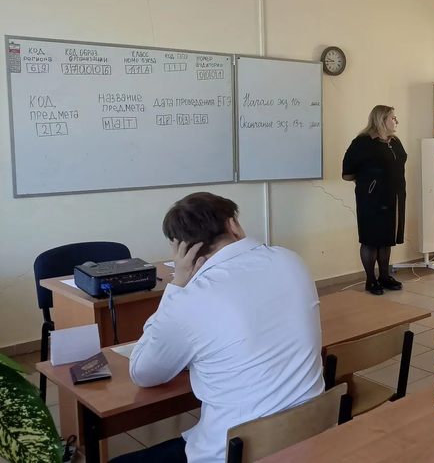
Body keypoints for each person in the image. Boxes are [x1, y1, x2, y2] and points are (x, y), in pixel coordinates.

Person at [115, 193, 325, 463]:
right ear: (233, 225)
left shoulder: (190, 299)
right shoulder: (291, 260)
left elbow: (142, 373)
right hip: (311, 436)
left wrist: (176, 286)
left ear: (180, 249)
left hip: (238, 453)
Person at [342, 105, 407, 296]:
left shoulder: (395, 142)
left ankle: (384, 277)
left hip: (393, 198)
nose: (396, 121)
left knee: (386, 239)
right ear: (381, 120)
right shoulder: (363, 142)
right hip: (371, 199)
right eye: (393, 118)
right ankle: (371, 280)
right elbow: (347, 173)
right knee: (371, 239)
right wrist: (370, 182)